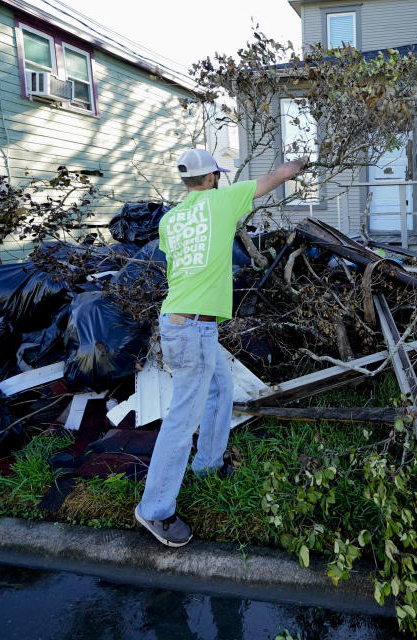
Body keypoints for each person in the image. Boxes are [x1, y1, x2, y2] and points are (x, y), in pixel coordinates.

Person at [135, 148, 308, 547]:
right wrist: (301, 164)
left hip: (187, 324)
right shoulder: (222, 201)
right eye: (218, 176)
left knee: (221, 388)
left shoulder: (170, 219)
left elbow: (181, 264)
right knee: (181, 421)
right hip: (191, 329)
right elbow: (277, 176)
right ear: (212, 178)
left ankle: (208, 464)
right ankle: (155, 510)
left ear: (186, 182)